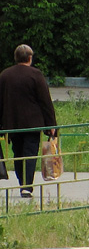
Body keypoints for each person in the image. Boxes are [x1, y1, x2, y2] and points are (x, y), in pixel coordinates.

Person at [0, 44, 58, 198]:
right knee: (30, 153)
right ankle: (26, 186)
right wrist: (52, 125)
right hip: (33, 123)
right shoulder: (35, 75)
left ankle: (22, 183)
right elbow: (45, 101)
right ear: (30, 58)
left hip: (12, 124)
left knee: (18, 154)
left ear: (16, 58)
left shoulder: (5, 75)